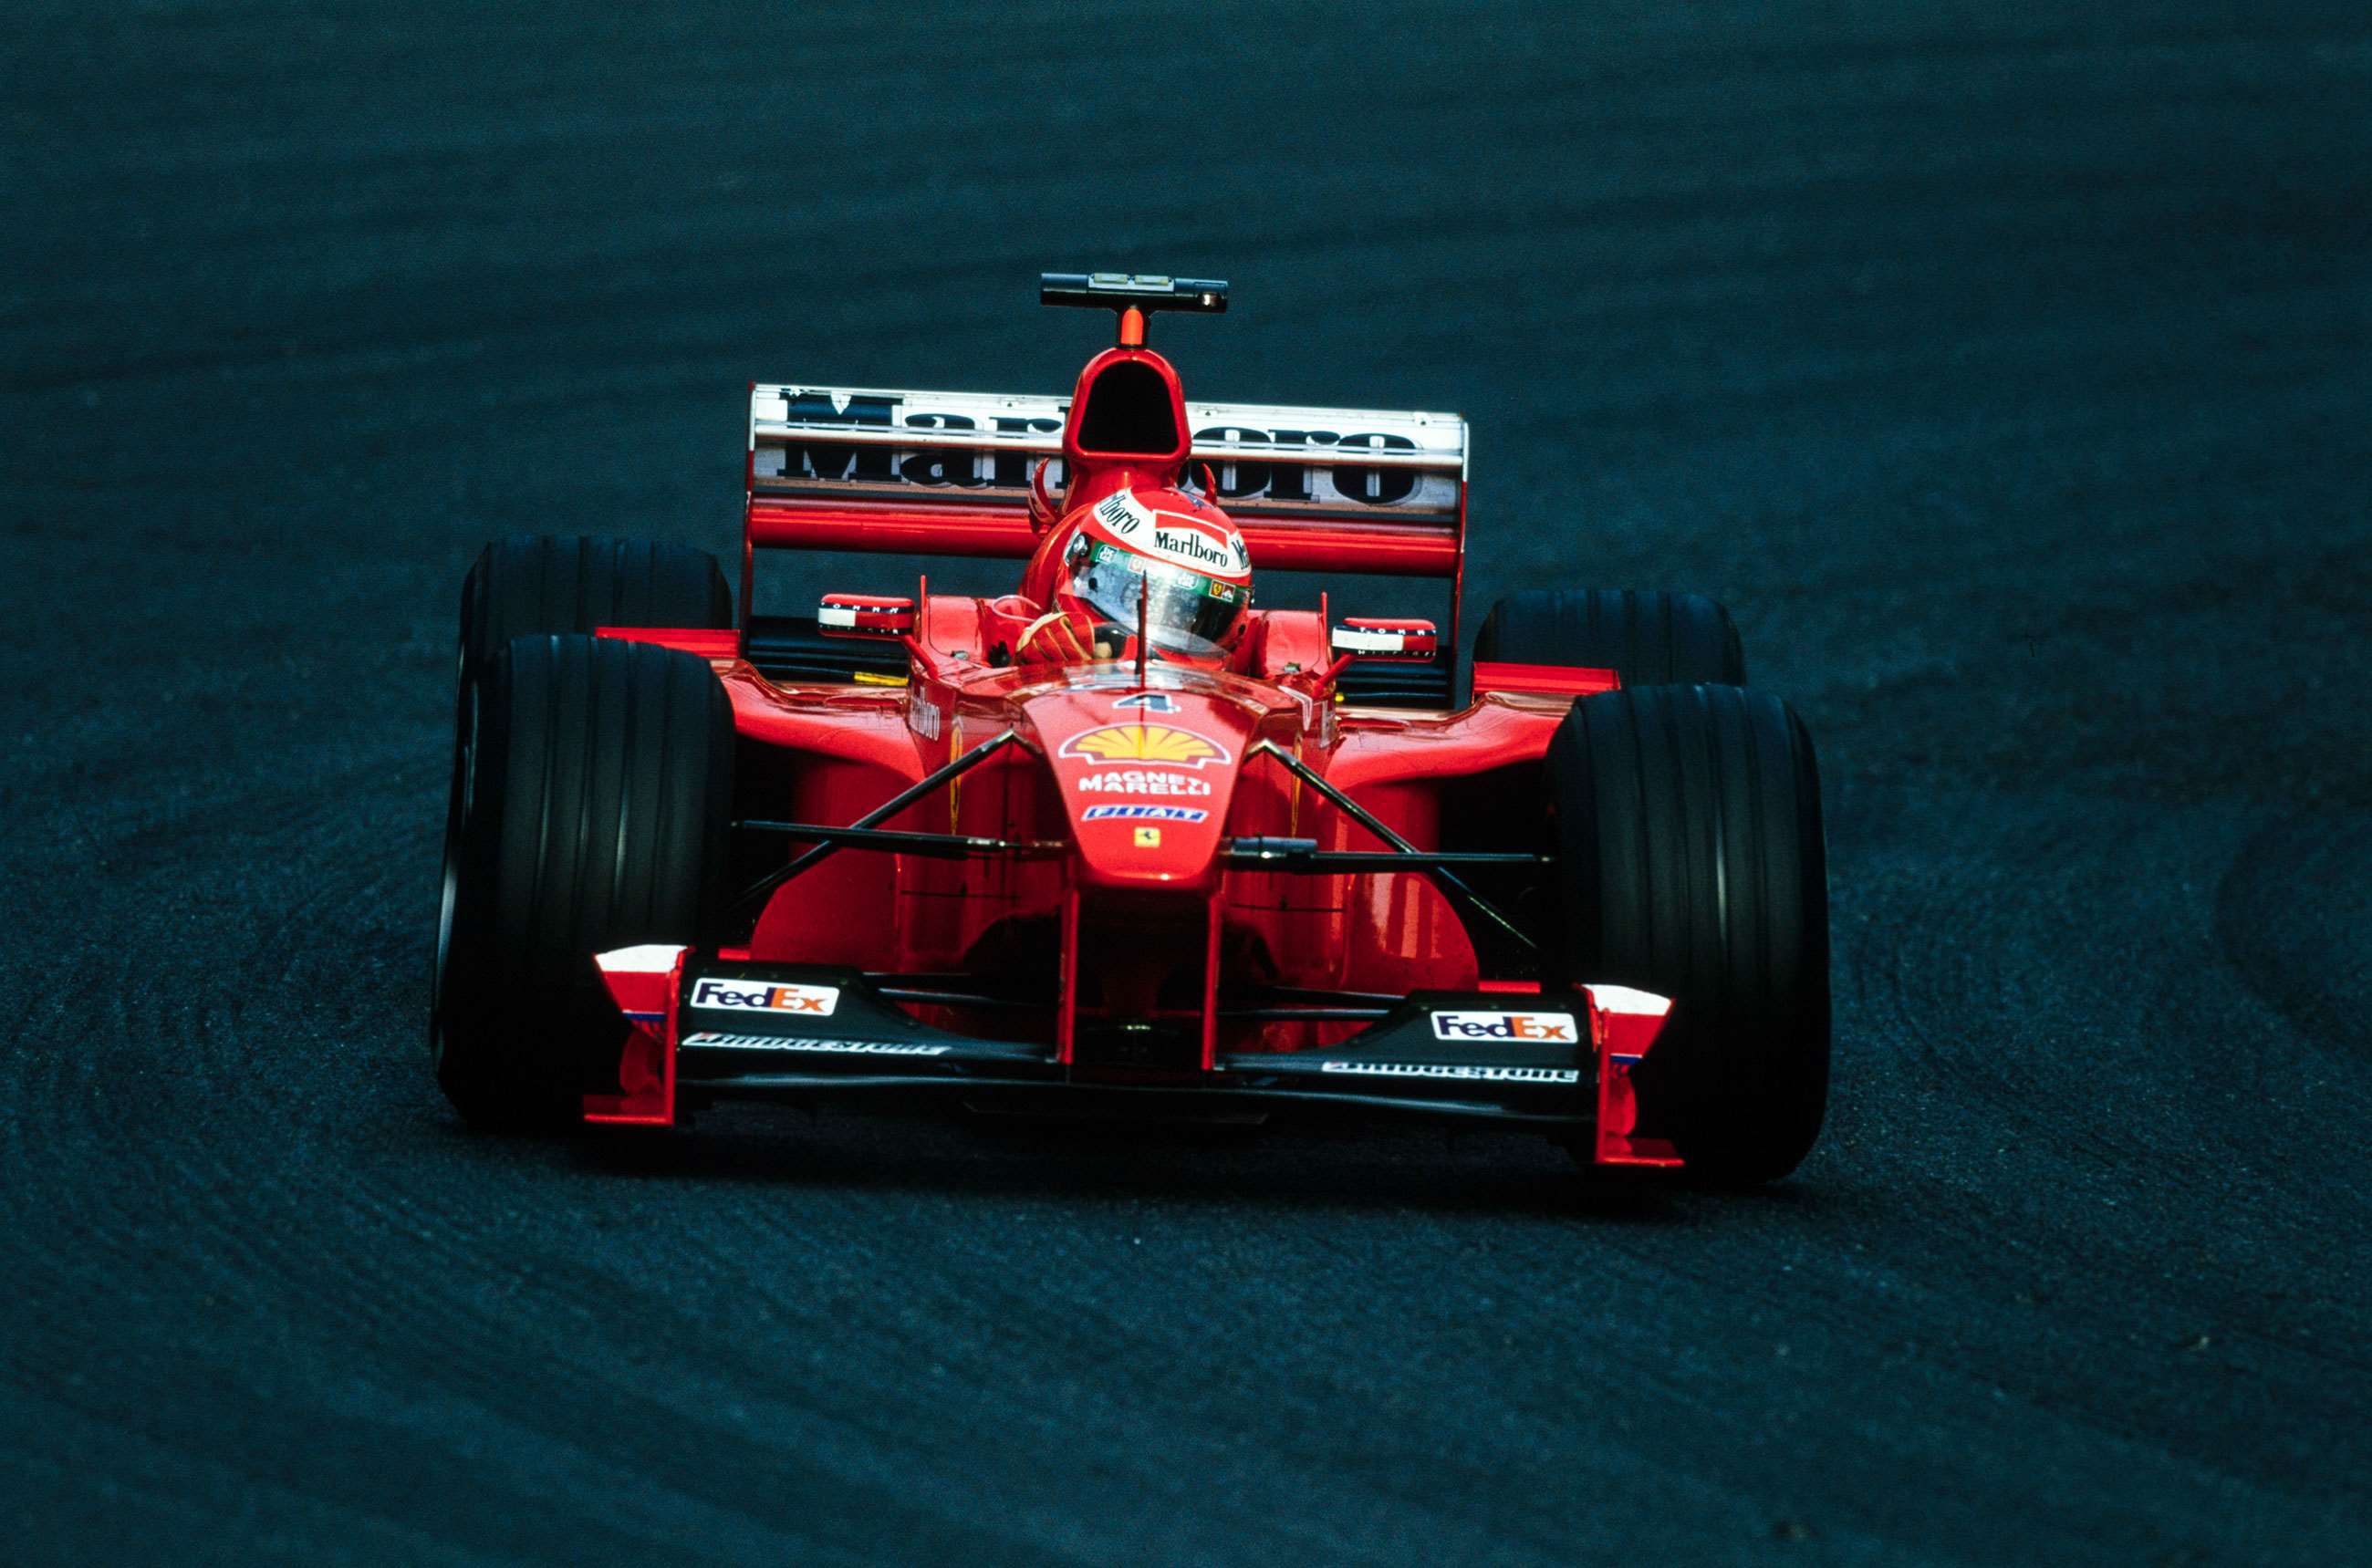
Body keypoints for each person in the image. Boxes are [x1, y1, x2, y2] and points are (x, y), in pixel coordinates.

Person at [983, 482, 1253, 666]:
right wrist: (1022, 673)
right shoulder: (1011, 628)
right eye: (1131, 597)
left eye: (1184, 616)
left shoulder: (1247, 670)